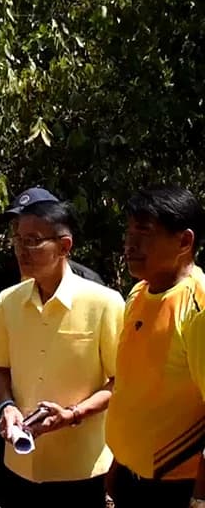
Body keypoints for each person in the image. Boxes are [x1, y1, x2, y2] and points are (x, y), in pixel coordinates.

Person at [0, 188, 105, 508]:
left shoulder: (99, 295)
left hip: (80, 464)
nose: (21, 250)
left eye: (32, 240)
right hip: (17, 456)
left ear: (64, 245)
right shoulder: (4, 290)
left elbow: (120, 381)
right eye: (17, 238)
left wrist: (73, 415)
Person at [106, 185, 205, 507]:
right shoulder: (139, 293)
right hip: (132, 477)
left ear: (184, 241)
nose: (130, 243)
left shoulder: (198, 307)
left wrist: (199, 498)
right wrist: (118, 461)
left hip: (176, 485)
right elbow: (133, 387)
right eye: (130, 231)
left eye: (145, 232)